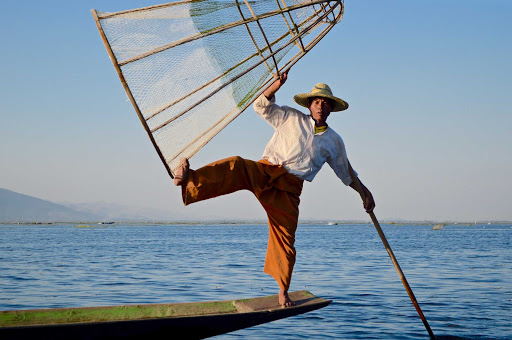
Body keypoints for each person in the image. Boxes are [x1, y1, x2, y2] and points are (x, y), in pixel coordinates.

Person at [173, 73, 375, 307]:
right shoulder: (290, 116)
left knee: (286, 240)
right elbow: (260, 106)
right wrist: (275, 86)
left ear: (331, 109)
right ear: (309, 105)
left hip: (289, 190)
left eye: (325, 103)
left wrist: (365, 193)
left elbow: (346, 173)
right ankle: (189, 180)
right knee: (237, 165)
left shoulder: (334, 141)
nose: (321, 106)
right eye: (317, 102)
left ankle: (282, 291)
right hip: (267, 170)